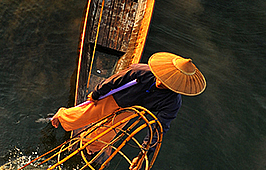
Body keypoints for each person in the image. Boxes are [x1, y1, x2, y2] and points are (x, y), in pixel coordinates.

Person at [50, 52, 206, 149]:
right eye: (162, 77)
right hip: (116, 98)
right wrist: (97, 94)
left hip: (131, 113)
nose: (161, 82)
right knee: (85, 115)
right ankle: (62, 115)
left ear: (175, 86)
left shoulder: (173, 102)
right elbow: (114, 81)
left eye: (167, 83)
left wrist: (146, 149)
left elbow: (160, 127)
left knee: (105, 135)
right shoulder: (142, 71)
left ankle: (90, 146)